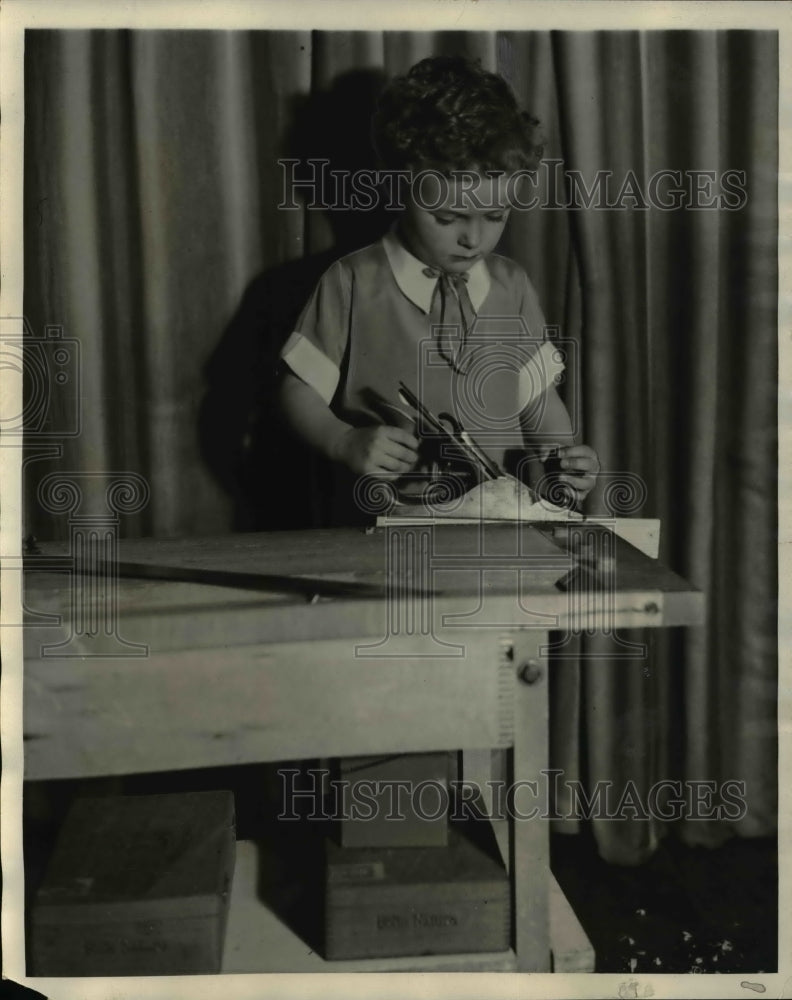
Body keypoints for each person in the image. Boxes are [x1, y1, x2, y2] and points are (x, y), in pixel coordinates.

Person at [277, 55, 599, 521]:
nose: (473, 239)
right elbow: (297, 391)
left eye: (495, 217)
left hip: (501, 528)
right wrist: (343, 440)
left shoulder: (513, 286)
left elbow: (538, 403)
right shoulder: (352, 281)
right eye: (447, 218)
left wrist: (562, 460)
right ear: (401, 187)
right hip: (390, 528)